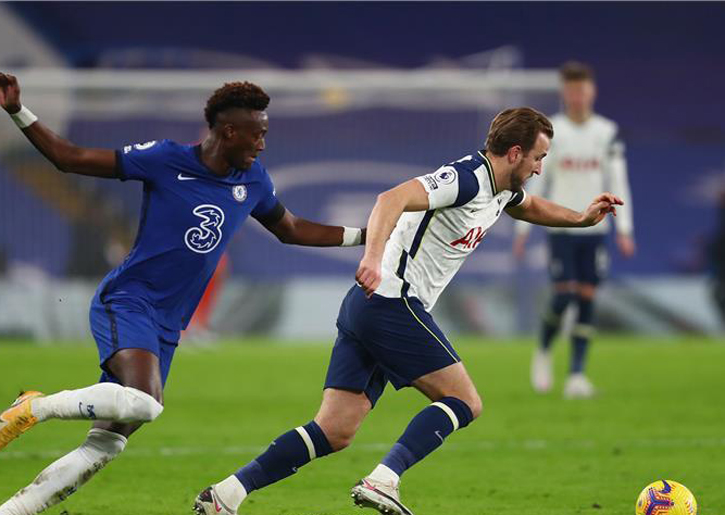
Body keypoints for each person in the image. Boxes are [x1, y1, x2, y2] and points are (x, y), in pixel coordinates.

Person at [192, 107, 623, 515]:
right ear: (514, 153)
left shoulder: (503, 188)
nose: (540, 168)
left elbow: (528, 206)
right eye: (538, 157)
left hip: (366, 307)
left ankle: (226, 494)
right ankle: (384, 480)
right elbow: (390, 199)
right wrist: (372, 258)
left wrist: (581, 219)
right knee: (465, 401)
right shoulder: (466, 178)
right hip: (392, 301)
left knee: (334, 430)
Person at [0, 72, 365, 515]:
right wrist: (17, 110)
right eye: (257, 134)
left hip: (168, 323)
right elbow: (69, 158)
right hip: (130, 300)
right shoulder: (164, 158)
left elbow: (291, 229)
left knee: (108, 442)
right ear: (228, 132)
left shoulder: (253, 180)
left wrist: (367, 235)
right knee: (145, 403)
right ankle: (34, 407)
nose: (263, 145)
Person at [512, 62, 635, 399]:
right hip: (562, 226)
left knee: (587, 298)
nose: (577, 96)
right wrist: (522, 231)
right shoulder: (553, 134)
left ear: (591, 92)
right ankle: (544, 350)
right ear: (564, 93)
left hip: (595, 230)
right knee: (564, 294)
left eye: (582, 90)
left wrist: (624, 229)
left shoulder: (606, 132)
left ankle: (577, 375)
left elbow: (618, 180)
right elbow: (536, 180)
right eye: (571, 90)